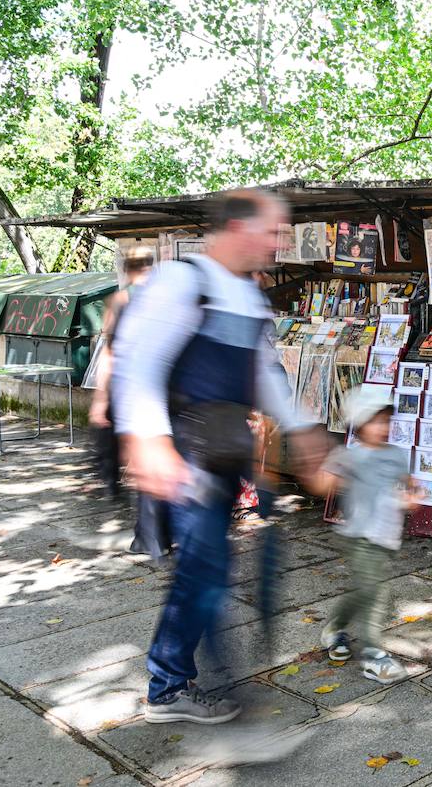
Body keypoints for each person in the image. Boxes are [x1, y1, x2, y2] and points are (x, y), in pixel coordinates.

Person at [113, 190, 326, 724]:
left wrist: (306, 435)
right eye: (273, 231)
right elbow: (138, 363)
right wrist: (150, 442)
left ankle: (175, 682)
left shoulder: (249, 297)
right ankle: (168, 688)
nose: (280, 242)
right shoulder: (182, 281)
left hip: (223, 452)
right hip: (186, 452)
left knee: (208, 568)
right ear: (238, 227)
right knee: (206, 569)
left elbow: (268, 375)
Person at [314, 385, 414, 683]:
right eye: (375, 421)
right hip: (359, 535)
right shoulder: (349, 457)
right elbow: (322, 484)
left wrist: (412, 497)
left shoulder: (396, 455)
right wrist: (323, 473)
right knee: (374, 591)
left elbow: (410, 485)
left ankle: (334, 628)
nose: (383, 428)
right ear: (358, 425)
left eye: (386, 421)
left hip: (385, 535)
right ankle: (373, 654)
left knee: (362, 589)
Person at [89, 246, 155, 499]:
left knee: (110, 434)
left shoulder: (120, 300)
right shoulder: (162, 300)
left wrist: (100, 398)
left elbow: (109, 353)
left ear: (126, 269)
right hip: (155, 383)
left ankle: (111, 482)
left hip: (125, 382)